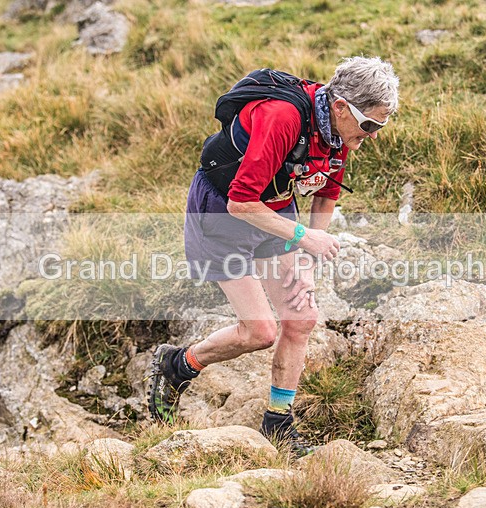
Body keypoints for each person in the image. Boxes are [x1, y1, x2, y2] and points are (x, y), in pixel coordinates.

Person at [147, 56, 399, 455]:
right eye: (369, 124)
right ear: (340, 106)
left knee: (301, 318)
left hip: (275, 209)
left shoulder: (337, 133)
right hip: (222, 213)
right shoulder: (282, 118)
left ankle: (278, 423)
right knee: (259, 332)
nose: (372, 135)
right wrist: (303, 238)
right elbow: (240, 203)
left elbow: (326, 194)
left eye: (380, 127)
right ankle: (177, 365)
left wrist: (307, 264)